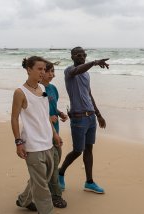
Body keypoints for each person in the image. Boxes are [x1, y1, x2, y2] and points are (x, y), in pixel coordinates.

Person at [11, 56, 62, 214]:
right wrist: (18, 142)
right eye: (39, 69)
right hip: (32, 145)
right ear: (28, 70)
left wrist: (55, 134)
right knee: (42, 188)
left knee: (41, 179)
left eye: (44, 69)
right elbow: (14, 118)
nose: (43, 72)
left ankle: (24, 200)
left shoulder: (43, 90)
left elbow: (45, 115)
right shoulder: (20, 92)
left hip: (47, 142)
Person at [58, 47, 109, 194]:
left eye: (84, 55)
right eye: (79, 55)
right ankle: (60, 173)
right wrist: (94, 62)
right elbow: (76, 71)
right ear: (72, 57)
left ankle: (89, 182)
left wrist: (98, 114)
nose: (82, 57)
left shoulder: (86, 75)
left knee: (89, 149)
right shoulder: (69, 71)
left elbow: (89, 94)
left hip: (91, 117)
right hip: (78, 118)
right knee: (77, 150)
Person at [41, 61, 68, 208]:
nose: (52, 74)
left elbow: (52, 107)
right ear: (42, 71)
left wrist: (60, 113)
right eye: (49, 71)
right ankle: (55, 195)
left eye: (53, 71)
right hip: (45, 132)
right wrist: (48, 118)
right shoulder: (38, 90)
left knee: (53, 162)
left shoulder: (53, 88)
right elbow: (38, 112)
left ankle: (33, 194)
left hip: (55, 130)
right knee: (53, 162)